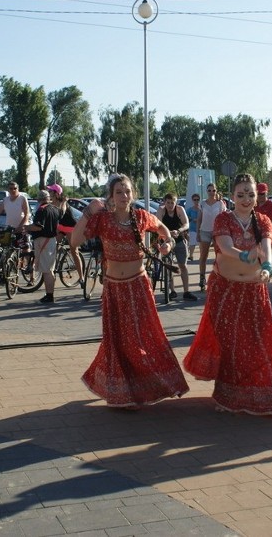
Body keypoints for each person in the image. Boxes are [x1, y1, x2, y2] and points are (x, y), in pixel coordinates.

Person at [71, 175, 188, 408]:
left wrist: (166, 245)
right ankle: (122, 391)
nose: (124, 196)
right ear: (111, 196)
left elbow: (166, 232)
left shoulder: (142, 216)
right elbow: (74, 241)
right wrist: (87, 213)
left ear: (133, 194)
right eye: (118, 192)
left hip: (138, 285)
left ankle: (152, 384)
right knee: (117, 340)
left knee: (143, 337)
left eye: (127, 191)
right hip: (114, 288)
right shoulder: (102, 220)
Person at [184, 173, 272, 415]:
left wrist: (267, 266)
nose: (246, 199)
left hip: (255, 289)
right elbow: (224, 246)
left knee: (256, 342)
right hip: (226, 289)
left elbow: (266, 245)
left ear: (257, 196)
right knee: (230, 343)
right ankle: (228, 395)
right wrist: (245, 255)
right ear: (232, 196)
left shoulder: (264, 220)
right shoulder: (223, 219)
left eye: (251, 194)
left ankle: (256, 392)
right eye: (241, 194)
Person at [156, 193, 197, 300]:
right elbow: (157, 224)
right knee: (168, 266)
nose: (170, 205)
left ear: (176, 202)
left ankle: (186, 291)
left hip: (178, 239)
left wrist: (178, 231)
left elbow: (186, 224)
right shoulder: (161, 210)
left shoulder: (179, 210)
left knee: (182, 265)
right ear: (164, 202)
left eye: (172, 203)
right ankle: (172, 290)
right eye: (168, 203)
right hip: (166, 240)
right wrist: (167, 233)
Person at [24, 190, 61, 304]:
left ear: (39, 199)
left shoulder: (41, 209)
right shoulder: (55, 209)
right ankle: (49, 294)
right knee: (49, 269)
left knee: (46, 270)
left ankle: (49, 296)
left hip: (43, 241)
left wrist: (27, 227)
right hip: (52, 240)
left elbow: (38, 226)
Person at [49, 183, 84, 286]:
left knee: (74, 251)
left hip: (70, 227)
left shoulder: (62, 202)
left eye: (51, 191)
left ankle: (81, 278)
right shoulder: (52, 202)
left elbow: (62, 211)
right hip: (60, 227)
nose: (49, 193)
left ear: (56, 194)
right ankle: (52, 270)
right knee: (52, 247)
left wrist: (64, 202)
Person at [196, 183, 226, 291]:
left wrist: (224, 232)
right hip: (204, 231)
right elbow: (199, 218)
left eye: (213, 190)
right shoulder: (203, 204)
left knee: (219, 256)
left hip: (217, 232)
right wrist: (198, 232)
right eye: (209, 190)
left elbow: (224, 218)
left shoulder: (220, 204)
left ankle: (220, 278)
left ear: (216, 191)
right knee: (203, 255)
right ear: (206, 191)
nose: (211, 193)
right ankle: (202, 278)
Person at [186, 193, 200, 261]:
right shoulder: (190, 209)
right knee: (192, 243)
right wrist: (191, 219)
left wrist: (199, 220)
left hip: (201, 229)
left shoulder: (201, 209)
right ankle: (191, 255)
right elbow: (185, 217)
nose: (196, 201)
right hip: (193, 228)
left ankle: (202, 256)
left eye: (197, 199)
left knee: (201, 244)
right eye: (195, 200)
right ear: (192, 200)